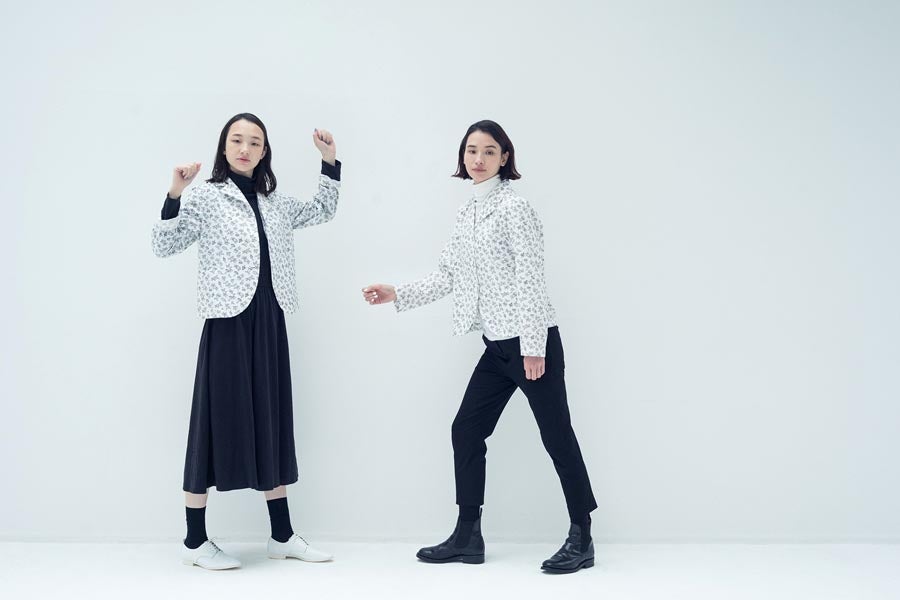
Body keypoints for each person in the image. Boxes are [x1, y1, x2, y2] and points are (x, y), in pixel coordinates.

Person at [362, 120, 597, 574]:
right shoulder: (467, 212)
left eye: (489, 151)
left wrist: (534, 348)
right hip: (496, 348)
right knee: (466, 430)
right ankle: (468, 535)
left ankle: (582, 537)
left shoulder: (515, 208)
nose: (478, 159)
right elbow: (448, 274)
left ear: (504, 157)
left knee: (557, 437)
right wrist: (398, 293)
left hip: (532, 343)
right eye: (472, 150)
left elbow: (531, 278)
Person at [152, 112, 340, 570]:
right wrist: (175, 193)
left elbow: (323, 210)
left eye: (255, 142)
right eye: (237, 140)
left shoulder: (274, 201)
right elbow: (163, 245)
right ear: (224, 147)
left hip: (270, 319)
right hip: (227, 322)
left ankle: (282, 535)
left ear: (264, 151)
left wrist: (329, 161)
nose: (245, 148)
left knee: (271, 420)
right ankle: (194, 540)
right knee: (211, 425)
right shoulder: (205, 197)